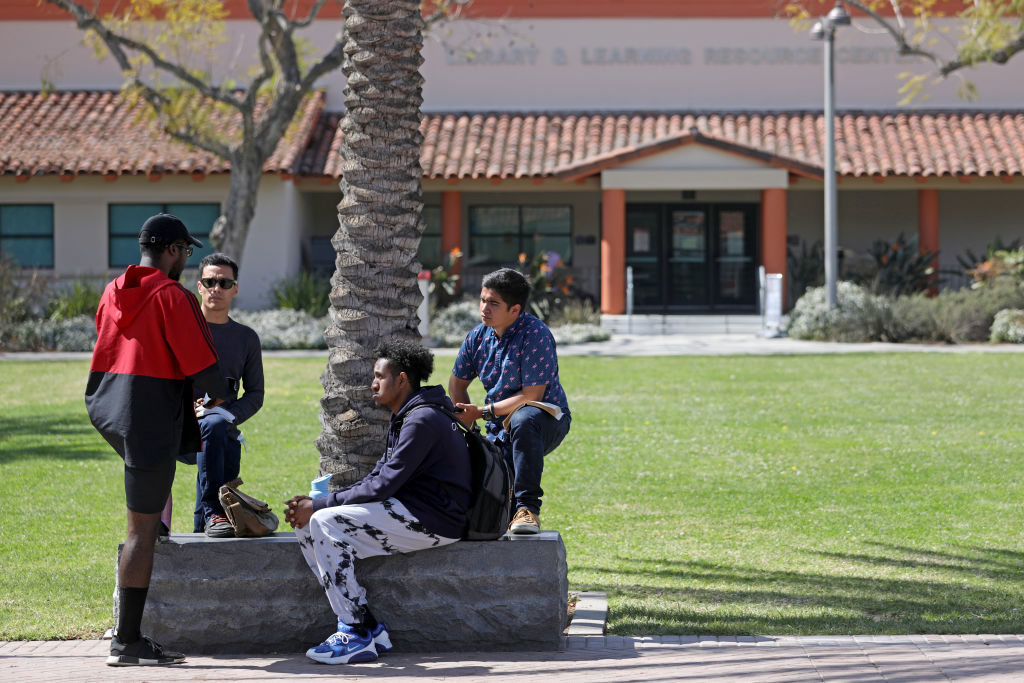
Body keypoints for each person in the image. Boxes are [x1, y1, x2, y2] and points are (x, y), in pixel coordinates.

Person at [85, 213, 232, 667]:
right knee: (142, 532)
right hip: (150, 415)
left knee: (142, 524)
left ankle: (127, 638)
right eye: (186, 252)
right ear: (171, 250)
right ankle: (126, 642)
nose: (186, 260)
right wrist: (222, 391)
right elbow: (204, 371)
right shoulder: (172, 296)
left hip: (112, 407)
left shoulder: (114, 289)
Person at [285, 339, 471, 665]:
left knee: (324, 521)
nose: (373, 383)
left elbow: (385, 484)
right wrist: (321, 503)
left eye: (379, 376)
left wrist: (321, 506)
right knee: (309, 526)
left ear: (402, 380)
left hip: (434, 519)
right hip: (412, 512)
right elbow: (377, 478)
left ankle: (355, 631)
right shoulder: (409, 415)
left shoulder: (422, 420)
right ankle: (369, 628)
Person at [449, 267, 571, 535]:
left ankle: (527, 510)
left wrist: (480, 411)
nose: (484, 308)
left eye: (494, 303)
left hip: (544, 419)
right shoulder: (477, 337)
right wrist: (467, 425)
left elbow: (532, 397)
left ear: (515, 310)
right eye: (482, 300)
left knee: (524, 419)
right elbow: (457, 384)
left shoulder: (535, 334)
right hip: (496, 424)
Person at [175, 252, 264, 538]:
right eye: (210, 281)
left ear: (235, 289)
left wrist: (225, 412)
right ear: (199, 286)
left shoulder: (246, 338)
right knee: (218, 434)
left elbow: (255, 393)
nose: (217, 288)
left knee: (221, 431)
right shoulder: (179, 331)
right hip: (177, 428)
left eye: (224, 283)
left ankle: (208, 522)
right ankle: (216, 510)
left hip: (220, 428)